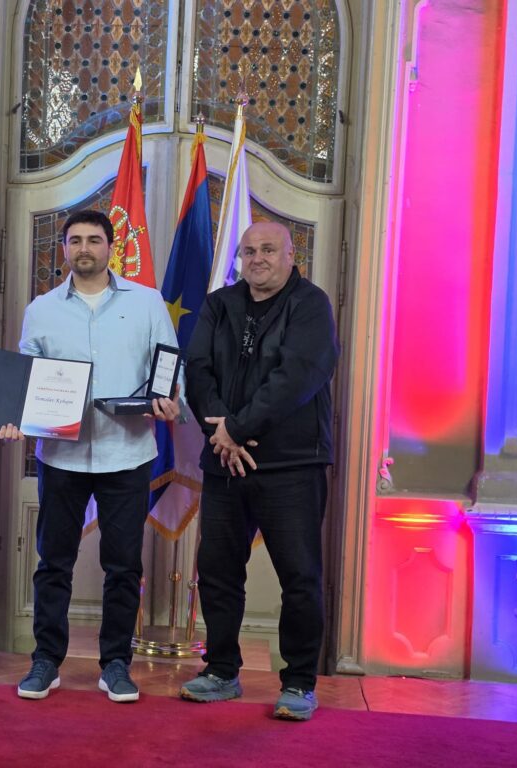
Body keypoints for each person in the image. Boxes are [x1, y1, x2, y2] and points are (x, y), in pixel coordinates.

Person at [0, 209, 181, 703]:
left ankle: (116, 664)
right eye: (75, 240)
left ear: (110, 247)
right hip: (62, 456)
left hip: (128, 453)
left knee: (123, 566)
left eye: (94, 240)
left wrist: (169, 397)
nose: (84, 248)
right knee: (54, 562)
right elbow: (26, 378)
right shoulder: (42, 309)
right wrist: (14, 414)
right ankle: (46, 660)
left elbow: (169, 366)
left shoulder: (146, 302)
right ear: (64, 248)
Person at [178, 221, 338, 721]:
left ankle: (299, 683)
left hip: (292, 465)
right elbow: (197, 371)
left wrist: (236, 429)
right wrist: (222, 433)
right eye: (248, 251)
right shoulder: (218, 305)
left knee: (300, 577)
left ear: (291, 255)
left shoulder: (310, 304)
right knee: (218, 573)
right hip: (224, 463)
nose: (258, 259)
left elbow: (297, 377)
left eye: (269, 249)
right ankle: (221, 671)